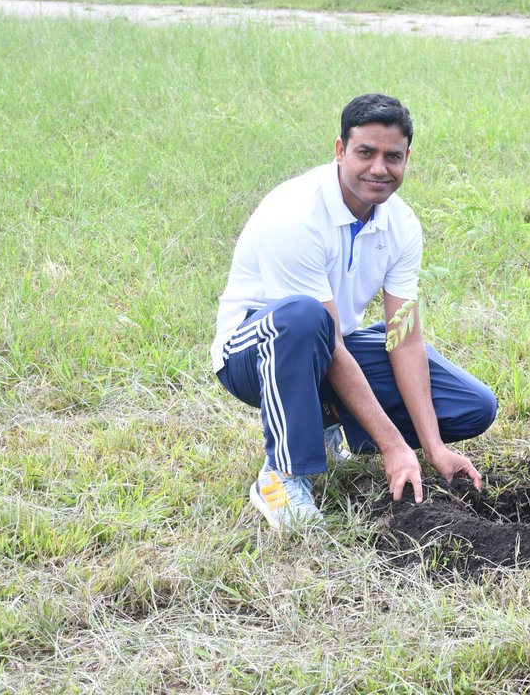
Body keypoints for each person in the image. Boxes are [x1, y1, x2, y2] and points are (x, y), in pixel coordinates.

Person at [212, 93, 497, 530]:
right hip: (253, 353)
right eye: (366, 152)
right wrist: (393, 445)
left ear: (407, 158)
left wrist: (432, 445)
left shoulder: (401, 224)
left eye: (393, 156)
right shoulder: (295, 215)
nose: (379, 168)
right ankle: (281, 475)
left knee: (473, 405)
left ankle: (327, 425)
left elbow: (404, 337)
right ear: (340, 149)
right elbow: (321, 334)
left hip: (329, 346)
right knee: (305, 319)